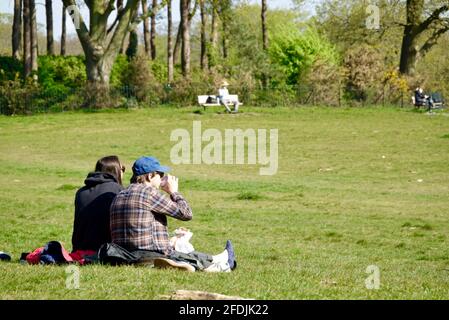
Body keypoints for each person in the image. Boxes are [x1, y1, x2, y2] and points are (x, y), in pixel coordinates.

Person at [110, 156, 237, 272]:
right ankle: (223, 265)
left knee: (180, 253)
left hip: (122, 254)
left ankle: (217, 260)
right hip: (149, 253)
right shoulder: (148, 193)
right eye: (160, 174)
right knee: (177, 254)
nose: (162, 178)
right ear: (150, 176)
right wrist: (173, 192)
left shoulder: (120, 194)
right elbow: (186, 213)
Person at [71, 156, 125, 253]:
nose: (123, 173)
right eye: (122, 169)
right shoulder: (117, 190)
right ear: (116, 170)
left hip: (80, 249)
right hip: (106, 250)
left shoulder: (80, 191)